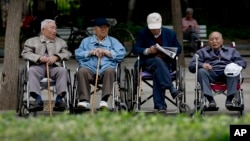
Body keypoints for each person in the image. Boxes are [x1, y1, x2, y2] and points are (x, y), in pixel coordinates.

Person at [132, 12, 183, 112]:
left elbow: (179, 49)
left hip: (166, 64)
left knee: (157, 72)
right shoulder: (143, 33)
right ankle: (171, 88)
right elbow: (135, 49)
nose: (154, 31)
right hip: (148, 63)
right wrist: (148, 50)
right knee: (157, 60)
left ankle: (161, 106)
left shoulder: (170, 33)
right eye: (152, 29)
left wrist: (167, 52)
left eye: (156, 28)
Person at [75, 18, 126, 109]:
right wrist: (90, 52)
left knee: (110, 70)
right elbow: (78, 54)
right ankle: (84, 100)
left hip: (106, 69)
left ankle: (104, 100)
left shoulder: (113, 41)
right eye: (101, 27)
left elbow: (121, 54)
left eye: (106, 27)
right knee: (82, 71)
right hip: (90, 69)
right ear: (95, 29)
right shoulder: (86, 41)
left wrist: (107, 52)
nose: (104, 29)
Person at [21, 19, 72, 111]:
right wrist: (39, 57)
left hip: (54, 67)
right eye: (52, 28)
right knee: (31, 71)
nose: (55, 31)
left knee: (63, 71)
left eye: (55, 28)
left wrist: (56, 57)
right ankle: (38, 100)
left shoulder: (60, 42)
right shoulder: (31, 41)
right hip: (37, 66)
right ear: (43, 29)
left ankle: (59, 100)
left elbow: (67, 54)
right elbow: (25, 53)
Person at [188, 31, 247, 107]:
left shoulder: (231, 51)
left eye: (216, 39)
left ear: (222, 41)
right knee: (201, 71)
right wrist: (202, 64)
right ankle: (210, 99)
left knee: (233, 70)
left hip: (227, 75)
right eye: (212, 39)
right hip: (211, 74)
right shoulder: (201, 52)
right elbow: (192, 65)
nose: (214, 41)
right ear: (209, 42)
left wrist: (232, 66)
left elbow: (242, 62)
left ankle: (229, 99)